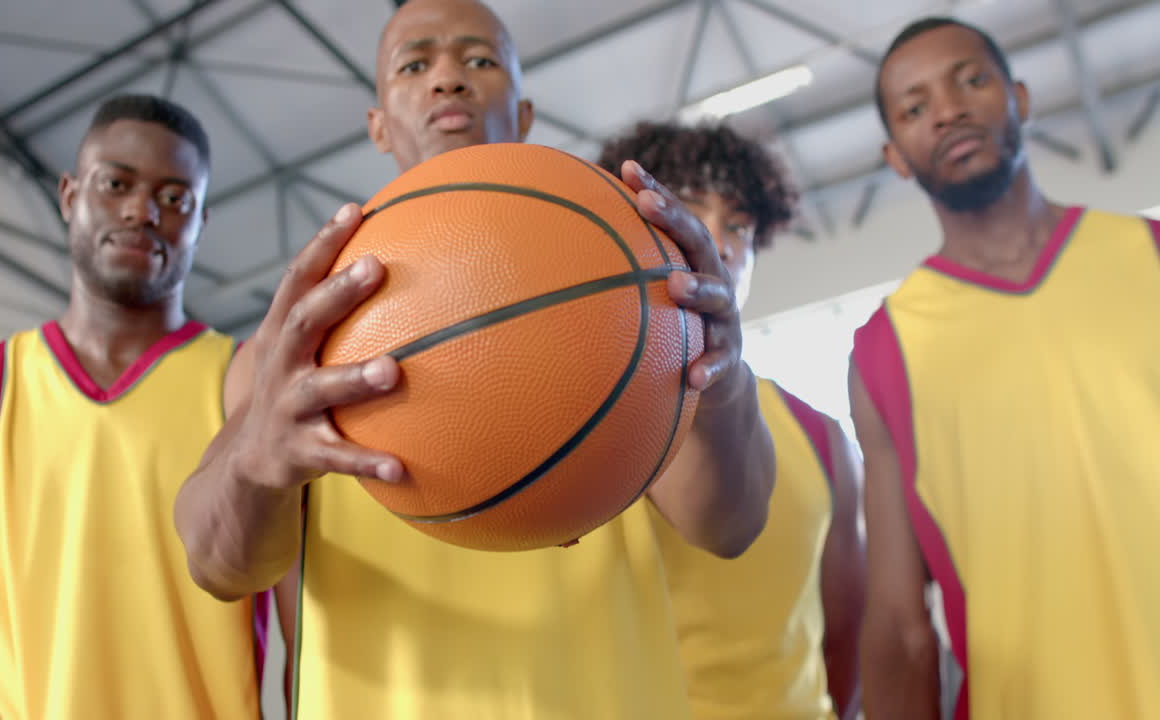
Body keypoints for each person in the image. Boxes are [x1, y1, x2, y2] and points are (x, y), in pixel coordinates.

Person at [172, 0, 777, 718]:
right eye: (415, 63)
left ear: (522, 113)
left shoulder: (628, 287)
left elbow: (728, 527)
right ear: (377, 123)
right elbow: (218, 567)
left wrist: (724, 377)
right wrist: (254, 464)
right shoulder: (302, 329)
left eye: (479, 60)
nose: (449, 79)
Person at [0, 94, 282, 719]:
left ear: (201, 221)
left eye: (176, 198)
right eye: (116, 183)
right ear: (70, 195)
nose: (141, 210)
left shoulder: (242, 384)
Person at [852, 16, 1160, 720]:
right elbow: (900, 626)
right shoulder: (885, 350)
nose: (950, 110)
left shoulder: (1149, 252)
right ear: (896, 155)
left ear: (1018, 98)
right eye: (915, 107)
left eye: (971, 81)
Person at [598, 121, 866, 720]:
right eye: (689, 212)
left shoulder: (820, 434)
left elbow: (845, 631)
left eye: (739, 226)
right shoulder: (590, 415)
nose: (718, 242)